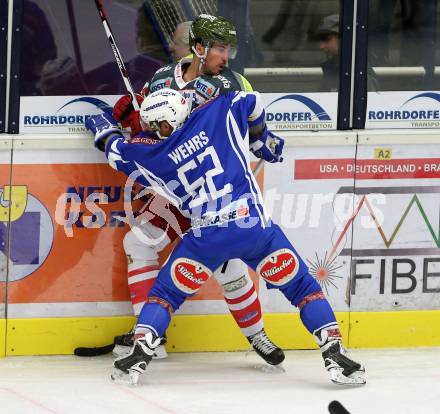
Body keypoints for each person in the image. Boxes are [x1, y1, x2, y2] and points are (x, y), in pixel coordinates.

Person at [85, 88, 366, 387]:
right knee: (303, 288)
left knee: (164, 296)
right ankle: (334, 352)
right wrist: (260, 138)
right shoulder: (217, 111)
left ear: (169, 120)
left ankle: (139, 355)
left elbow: (115, 151)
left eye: (158, 125)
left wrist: (106, 131)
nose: (155, 131)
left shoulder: (153, 153)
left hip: (207, 236)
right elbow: (253, 100)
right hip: (254, 229)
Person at [109, 15, 285, 366]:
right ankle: (150, 338)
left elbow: (251, 133)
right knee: (138, 243)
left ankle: (258, 336)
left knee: (228, 265)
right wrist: (133, 118)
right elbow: (148, 127)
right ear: (198, 49)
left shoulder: (234, 85)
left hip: (211, 193)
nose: (227, 57)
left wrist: (264, 141)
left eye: (229, 49)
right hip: (174, 190)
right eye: (220, 49)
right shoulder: (161, 78)